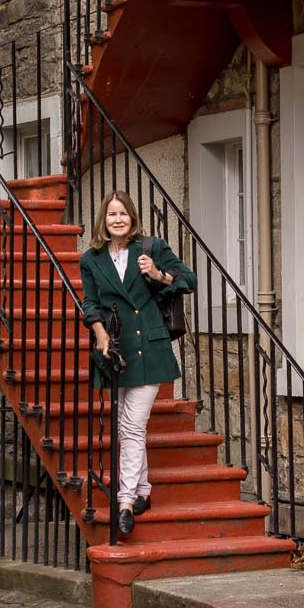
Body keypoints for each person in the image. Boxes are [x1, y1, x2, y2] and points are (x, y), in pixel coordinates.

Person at [79, 190, 196, 536]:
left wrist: (159, 275)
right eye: (112, 214)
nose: (118, 220)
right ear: (104, 220)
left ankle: (125, 501)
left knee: (131, 426)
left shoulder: (151, 248)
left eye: (124, 214)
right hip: (114, 349)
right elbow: (90, 303)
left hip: (150, 347)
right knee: (124, 424)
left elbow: (189, 279)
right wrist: (99, 333)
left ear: (132, 218)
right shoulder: (92, 259)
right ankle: (143, 490)